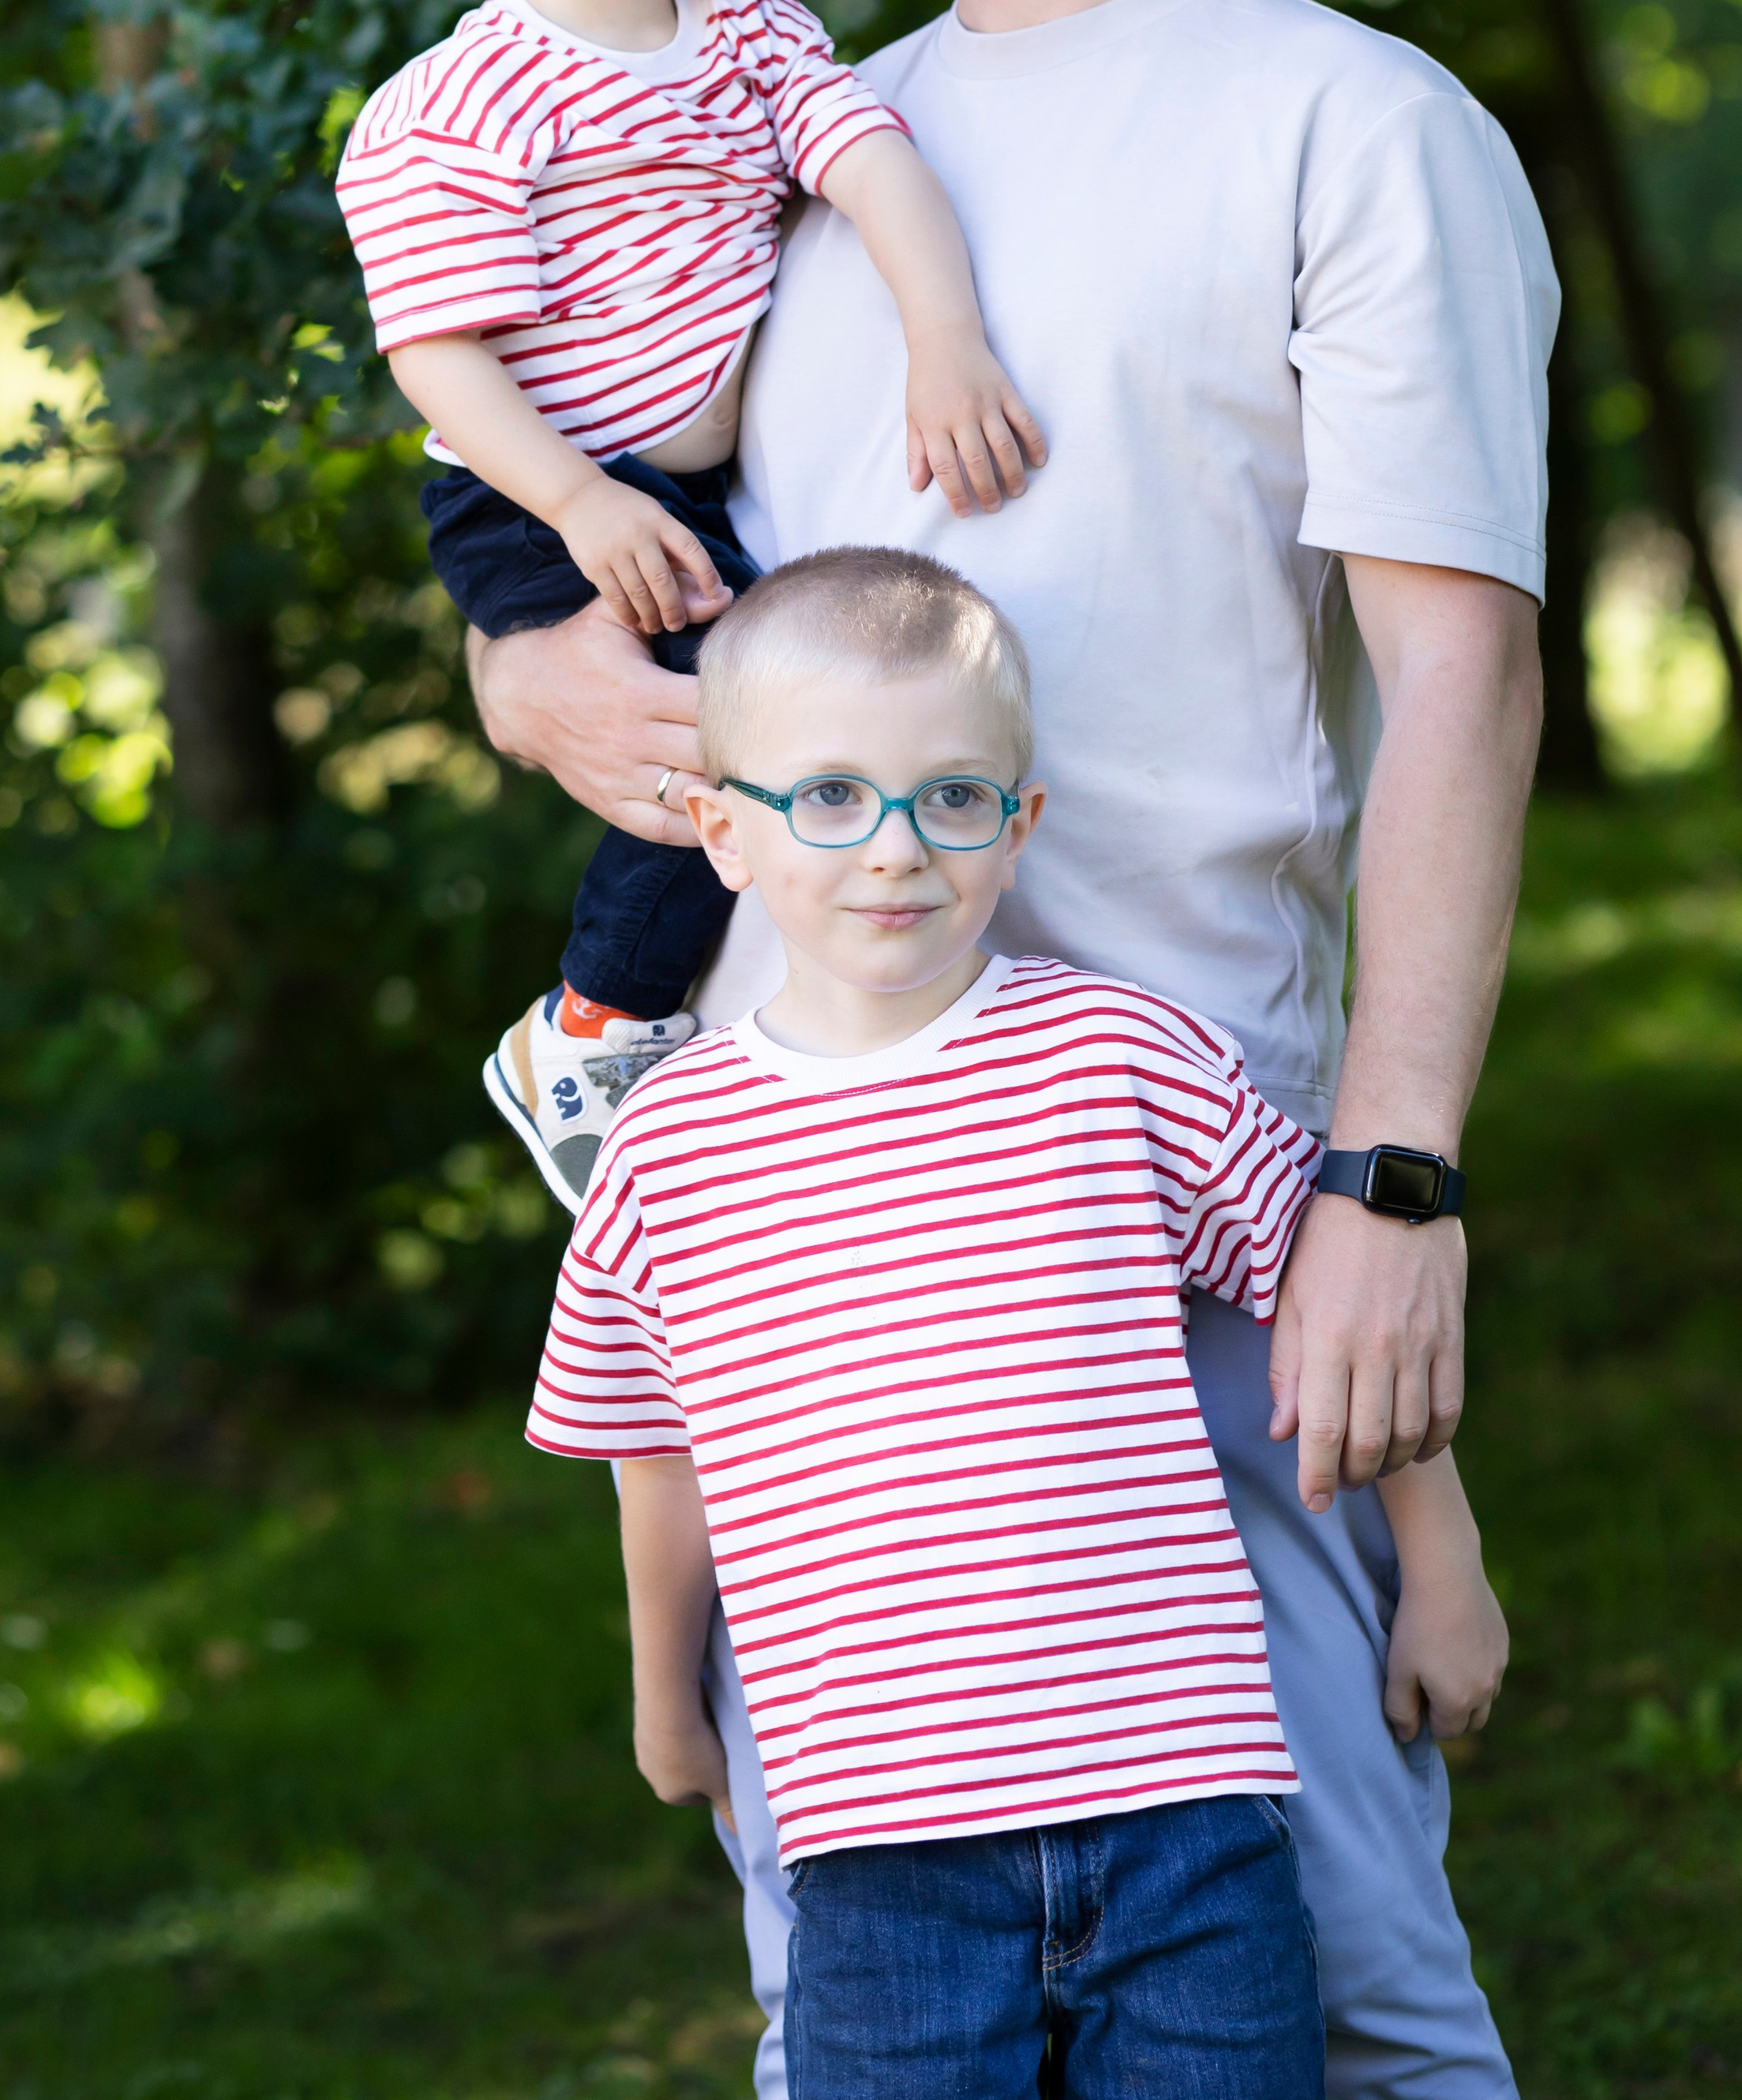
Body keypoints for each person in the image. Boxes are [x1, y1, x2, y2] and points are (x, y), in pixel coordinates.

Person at [476, 0, 1550, 2098]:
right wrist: (516, 665)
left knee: (1351, 2002)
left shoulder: (1351, 124)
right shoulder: (779, 160)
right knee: (849, 2017)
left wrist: (1394, 1178)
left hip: (1181, 1226)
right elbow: (630, 550)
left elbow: (1467, 686)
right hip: (810, 1240)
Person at [529, 548, 1508, 2100]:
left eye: (952, 797)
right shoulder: (669, 1146)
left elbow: (1333, 1316)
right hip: (877, 1852)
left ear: (1019, 818)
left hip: (1184, 1818)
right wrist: (667, 1693)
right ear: (720, 827)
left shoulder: (1112, 1057)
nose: (895, 851)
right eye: (829, 797)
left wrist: (1439, 1570)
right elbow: (658, 1454)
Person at [335, 0, 1042, 1208]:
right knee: (715, 757)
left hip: (691, 491)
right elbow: (436, 353)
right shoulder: (459, 103)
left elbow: (869, 163)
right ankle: (588, 1028)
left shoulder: (744, 24)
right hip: (537, 486)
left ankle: (777, 1042)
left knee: (778, 731)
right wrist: (580, 508)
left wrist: (944, 336)